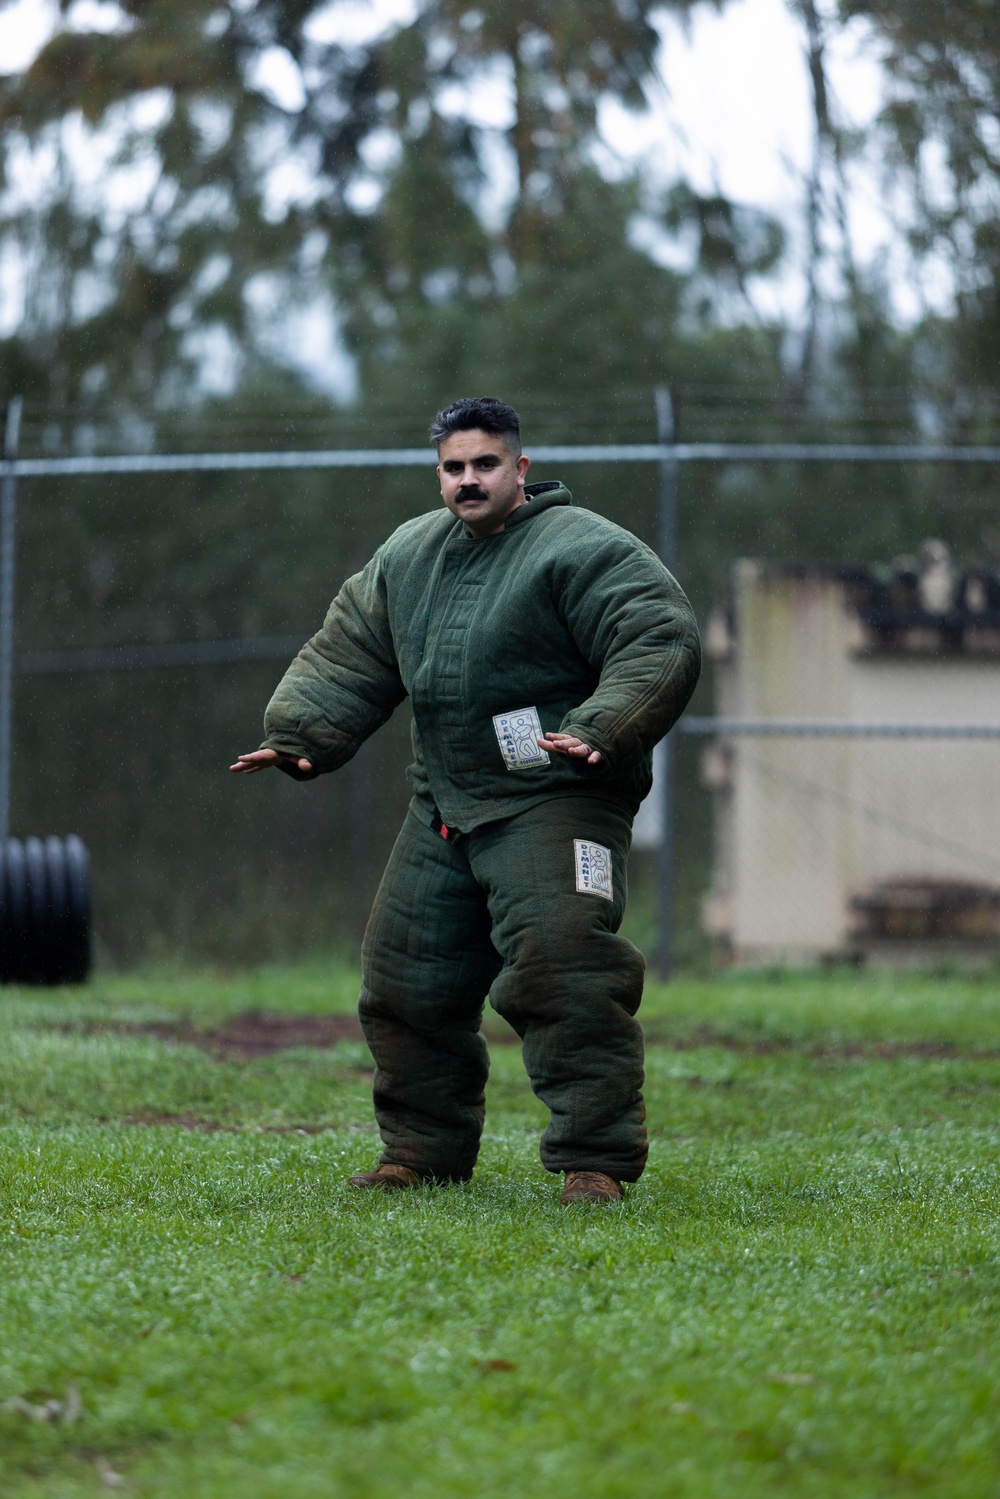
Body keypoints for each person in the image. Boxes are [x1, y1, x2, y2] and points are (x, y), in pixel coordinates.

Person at [230, 397, 700, 1204]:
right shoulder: (409, 555)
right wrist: (303, 734)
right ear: (438, 474)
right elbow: (350, 653)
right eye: (454, 467)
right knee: (404, 978)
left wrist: (601, 723)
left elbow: (659, 636)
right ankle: (419, 1151)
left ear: (520, 467)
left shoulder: (583, 548)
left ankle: (595, 1163)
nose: (468, 480)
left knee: (567, 968)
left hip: (559, 795)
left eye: (485, 464)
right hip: (444, 802)